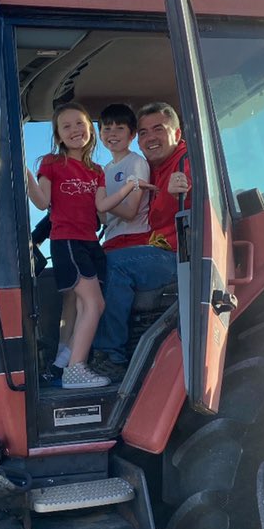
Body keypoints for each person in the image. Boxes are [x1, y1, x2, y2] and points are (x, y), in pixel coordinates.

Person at [26, 102, 153, 389]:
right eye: (66, 126)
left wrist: (129, 187)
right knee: (94, 303)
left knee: (87, 305)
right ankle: (75, 368)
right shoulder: (52, 163)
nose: (75, 130)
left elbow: (102, 206)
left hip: (91, 243)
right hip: (67, 241)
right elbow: (42, 202)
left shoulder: (95, 170)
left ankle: (67, 363)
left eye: (80, 124)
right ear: (58, 136)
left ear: (89, 131)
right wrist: (25, 175)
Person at [91, 102, 191, 381]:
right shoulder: (152, 167)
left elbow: (170, 209)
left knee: (113, 265)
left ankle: (110, 356)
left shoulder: (187, 161)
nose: (150, 138)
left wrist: (173, 192)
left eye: (158, 129)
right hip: (158, 250)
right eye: (145, 132)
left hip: (181, 255)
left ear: (177, 133)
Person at [98, 103, 151, 252]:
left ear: (132, 134)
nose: (112, 134)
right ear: (100, 135)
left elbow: (130, 212)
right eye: (107, 129)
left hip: (133, 238)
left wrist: (100, 202)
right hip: (111, 238)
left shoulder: (136, 162)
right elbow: (106, 217)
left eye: (120, 128)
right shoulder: (105, 170)